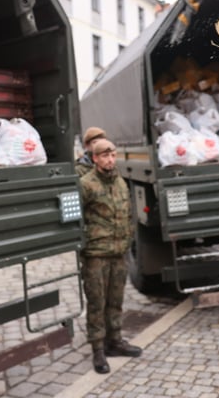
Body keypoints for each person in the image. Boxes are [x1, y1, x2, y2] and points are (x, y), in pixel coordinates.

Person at [78, 137, 141, 374]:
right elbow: (77, 219)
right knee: (97, 303)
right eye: (105, 155)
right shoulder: (86, 184)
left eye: (113, 155)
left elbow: (128, 213)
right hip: (96, 255)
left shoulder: (120, 182)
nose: (110, 159)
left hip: (118, 253)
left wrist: (128, 238)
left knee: (115, 301)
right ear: (95, 158)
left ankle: (115, 341)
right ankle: (97, 349)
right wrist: (87, 243)